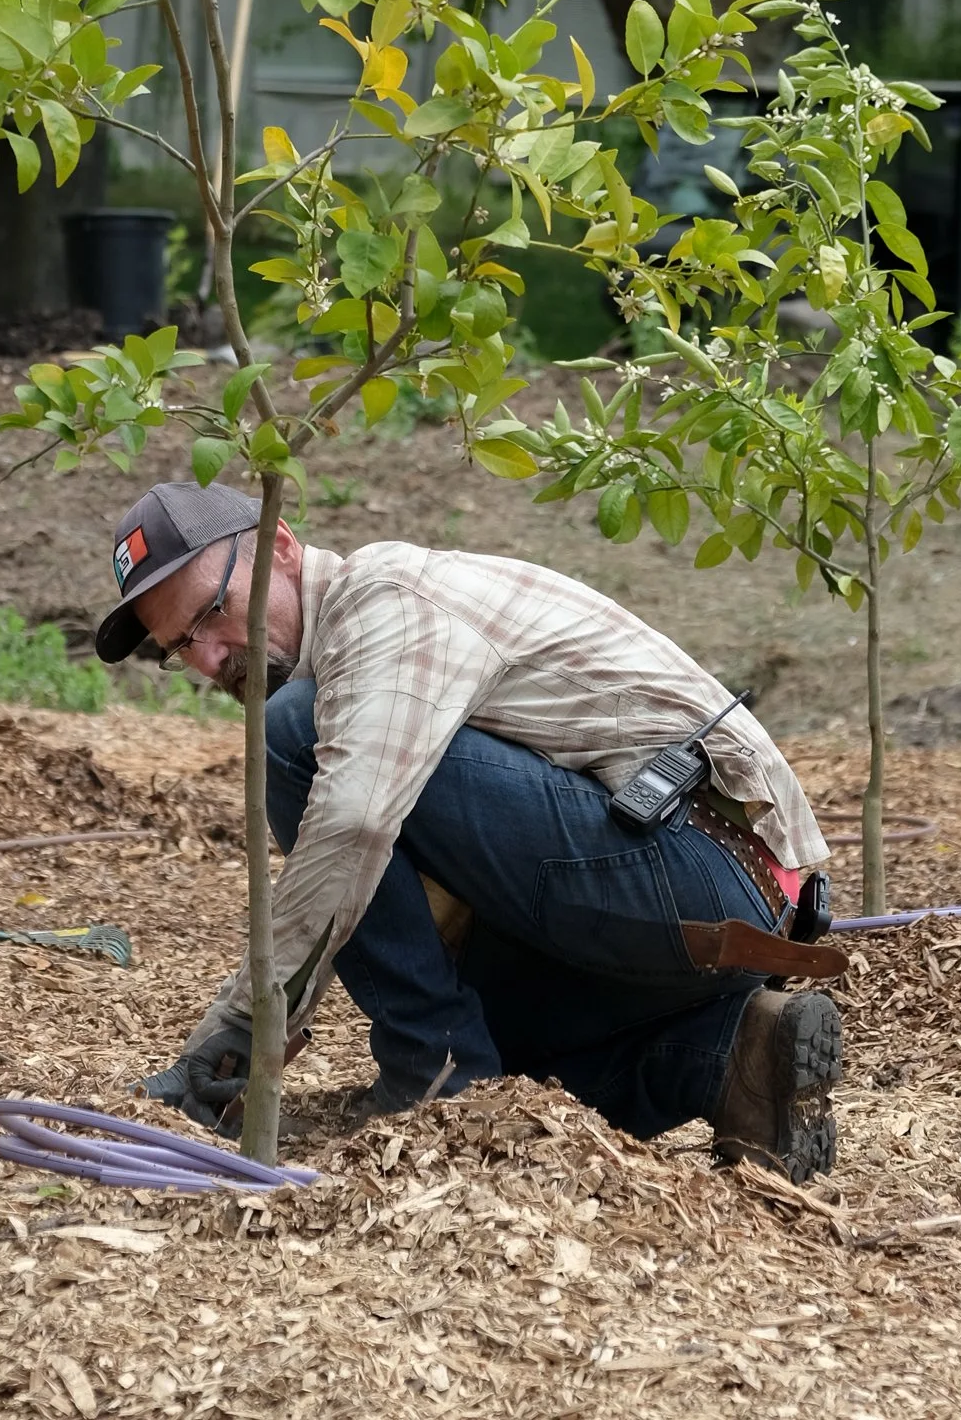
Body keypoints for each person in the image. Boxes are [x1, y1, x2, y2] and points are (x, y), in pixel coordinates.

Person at [96, 481, 846, 1178]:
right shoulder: (358, 640)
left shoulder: (384, 599)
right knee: (501, 1056)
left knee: (296, 731)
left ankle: (436, 1084)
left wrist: (247, 1024)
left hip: (706, 867)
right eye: (180, 648)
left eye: (213, 614)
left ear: (280, 546)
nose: (211, 658)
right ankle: (729, 1056)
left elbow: (354, 824)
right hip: (716, 908)